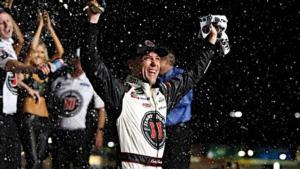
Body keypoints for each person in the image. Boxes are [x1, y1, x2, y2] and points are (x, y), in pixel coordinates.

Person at [81, 2, 221, 168]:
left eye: (157, 59)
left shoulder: (163, 94)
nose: (155, 64)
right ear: (131, 64)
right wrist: (93, 21)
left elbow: (193, 75)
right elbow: (91, 62)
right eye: (147, 58)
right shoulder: (121, 92)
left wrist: (211, 42)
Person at [0, 8, 49, 169]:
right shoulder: (1, 48)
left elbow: (19, 40)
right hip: (2, 116)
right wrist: (34, 70)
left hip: (9, 115)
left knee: (14, 162)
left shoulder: (7, 44)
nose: (7, 25)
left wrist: (26, 88)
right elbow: (12, 66)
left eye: (9, 22)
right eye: (2, 23)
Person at [17, 10, 64, 169]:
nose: (38, 54)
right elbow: (30, 50)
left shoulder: (46, 69)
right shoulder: (28, 68)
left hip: (45, 119)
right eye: (36, 51)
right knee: (33, 160)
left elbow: (60, 52)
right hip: (29, 117)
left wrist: (49, 28)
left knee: (41, 159)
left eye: (41, 52)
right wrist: (40, 27)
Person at [49, 55, 106, 169]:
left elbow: (101, 109)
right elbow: (51, 106)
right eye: (79, 60)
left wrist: (100, 132)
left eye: (84, 61)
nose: (81, 63)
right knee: (58, 165)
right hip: (60, 133)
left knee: (80, 164)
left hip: (81, 133)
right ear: (74, 61)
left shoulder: (92, 82)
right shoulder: (59, 81)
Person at [159, 49, 194, 169]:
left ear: (168, 61)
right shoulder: (158, 79)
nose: (157, 64)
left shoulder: (181, 75)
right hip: (163, 130)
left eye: (160, 60)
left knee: (178, 164)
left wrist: (163, 101)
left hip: (179, 129)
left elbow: (186, 99)